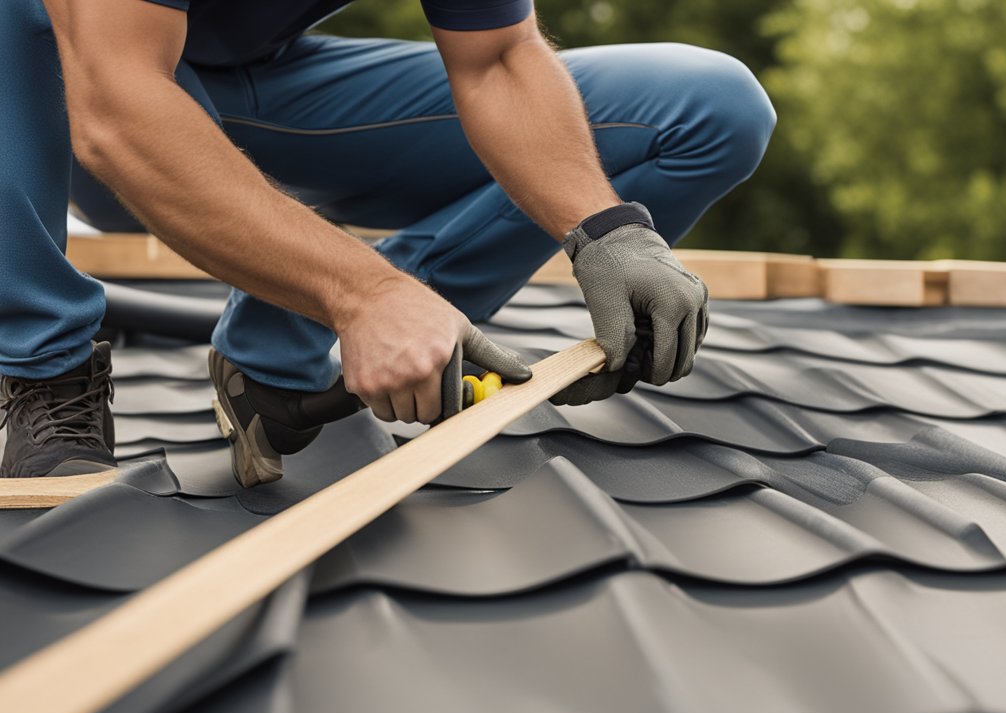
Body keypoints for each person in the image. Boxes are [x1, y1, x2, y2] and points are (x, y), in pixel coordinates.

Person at [0, 0, 776, 484]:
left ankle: (280, 347)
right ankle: (45, 372)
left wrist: (608, 232)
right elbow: (116, 105)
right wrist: (364, 294)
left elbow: (499, 59)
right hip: (80, 97)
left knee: (710, 107)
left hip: (260, 93)